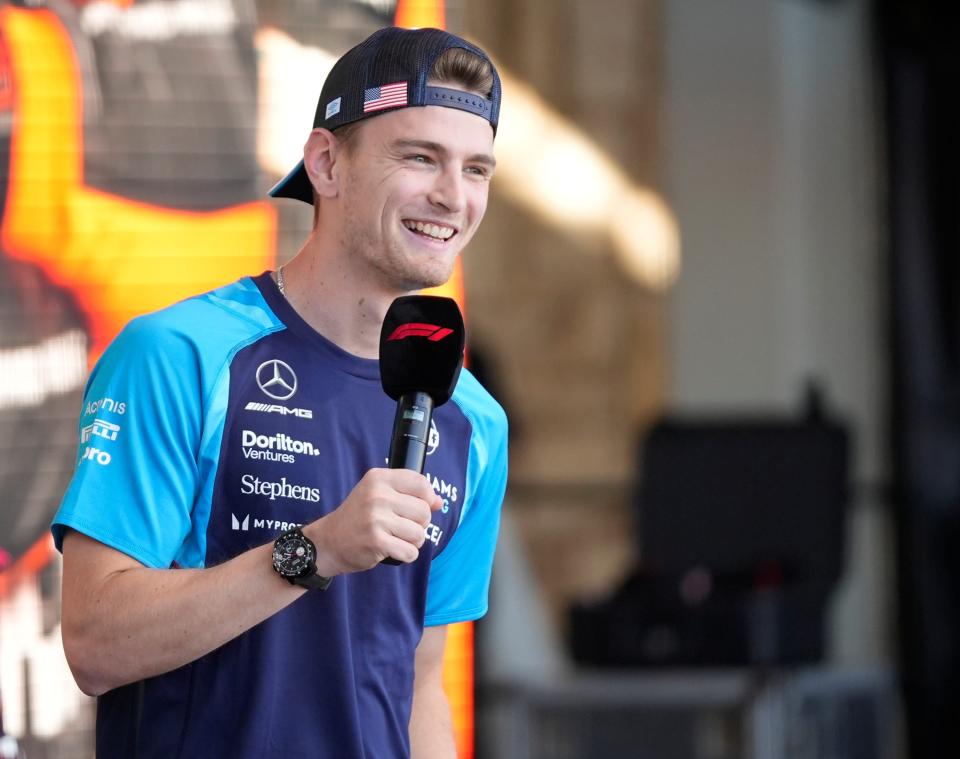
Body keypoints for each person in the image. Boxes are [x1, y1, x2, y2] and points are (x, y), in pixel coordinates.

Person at [51, 26, 508, 758]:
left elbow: (420, 683)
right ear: (326, 163)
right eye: (420, 157)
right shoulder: (180, 354)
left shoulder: (473, 417)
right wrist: (313, 550)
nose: (453, 196)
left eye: (477, 169)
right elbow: (95, 641)